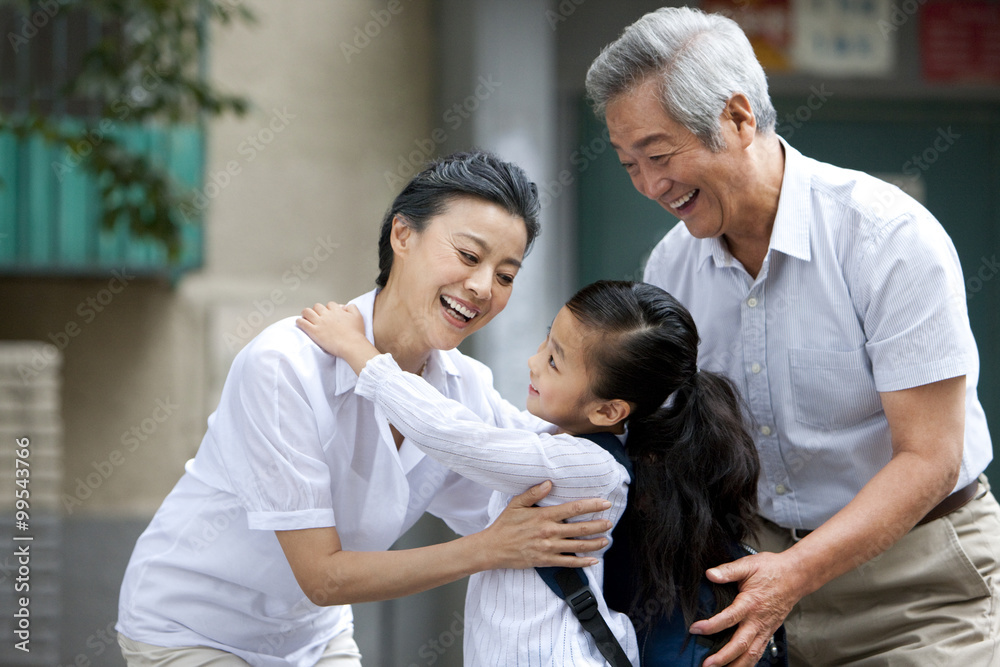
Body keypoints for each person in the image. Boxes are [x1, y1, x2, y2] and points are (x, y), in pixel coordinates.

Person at [585, 6, 999, 666]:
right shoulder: (671, 267)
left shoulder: (888, 240)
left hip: (918, 586)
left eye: (659, 155)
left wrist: (794, 573)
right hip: (756, 582)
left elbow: (931, 456)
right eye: (628, 162)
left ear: (740, 118)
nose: (650, 185)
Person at [115, 151, 617, 667]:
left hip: (312, 636)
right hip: (191, 628)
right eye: (469, 256)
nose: (483, 288)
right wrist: (491, 548)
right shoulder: (284, 364)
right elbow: (323, 577)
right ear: (403, 235)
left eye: (506, 275)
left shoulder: (464, 387)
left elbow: (543, 484)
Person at [296, 279, 761, 667]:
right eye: (546, 340)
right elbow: (479, 423)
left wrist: (357, 350)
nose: (534, 361)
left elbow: (452, 435)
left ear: (608, 409)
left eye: (555, 360)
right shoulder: (556, 440)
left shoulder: (589, 467)